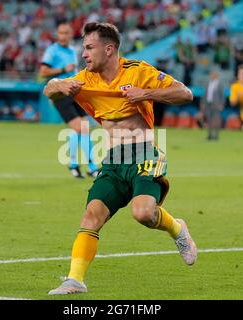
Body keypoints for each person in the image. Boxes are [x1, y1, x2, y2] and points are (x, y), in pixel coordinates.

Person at [43, 22, 197, 295]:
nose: (84, 54)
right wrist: (60, 85)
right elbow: (48, 89)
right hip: (114, 158)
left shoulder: (138, 71)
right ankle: (75, 280)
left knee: (143, 213)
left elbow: (185, 94)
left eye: (89, 48)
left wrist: (146, 94)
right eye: (83, 48)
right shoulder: (86, 79)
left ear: (109, 49)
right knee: (91, 215)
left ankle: (177, 228)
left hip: (144, 154)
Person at [39, 22, 98, 179]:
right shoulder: (52, 50)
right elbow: (43, 71)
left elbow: (73, 71)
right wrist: (62, 70)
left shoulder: (73, 50)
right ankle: (92, 167)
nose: (63, 36)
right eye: (61, 33)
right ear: (57, 34)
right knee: (80, 128)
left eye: (66, 33)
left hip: (74, 92)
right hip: (60, 93)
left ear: (71, 34)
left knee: (83, 128)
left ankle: (74, 165)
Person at [201, 70, 224, 140]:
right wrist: (203, 103)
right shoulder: (208, 83)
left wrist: (221, 104)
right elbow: (205, 94)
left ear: (216, 76)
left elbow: (222, 95)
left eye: (213, 75)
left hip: (216, 104)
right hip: (208, 104)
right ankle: (209, 135)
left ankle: (216, 136)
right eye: (211, 75)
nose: (212, 76)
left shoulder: (219, 84)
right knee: (208, 120)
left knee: (216, 120)